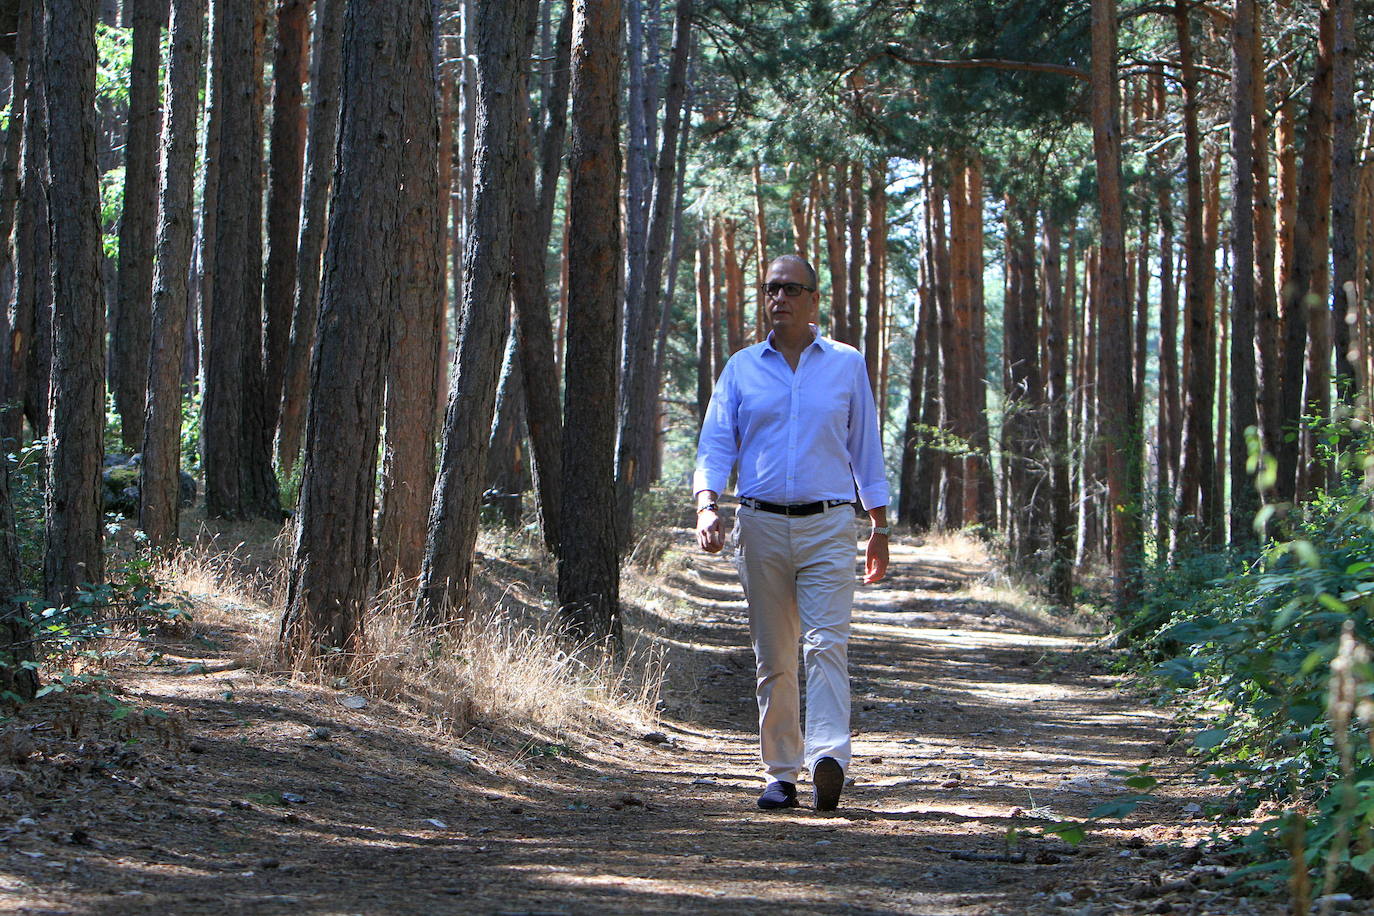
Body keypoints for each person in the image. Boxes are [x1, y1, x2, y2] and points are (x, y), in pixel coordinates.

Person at [692, 254, 889, 812]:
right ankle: (781, 773)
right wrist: (708, 505)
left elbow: (864, 447)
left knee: (827, 644)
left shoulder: (846, 365)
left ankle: (828, 758)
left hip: (829, 523)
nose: (778, 298)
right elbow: (716, 445)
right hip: (759, 526)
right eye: (771, 289)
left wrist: (878, 524)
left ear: (813, 299)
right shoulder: (742, 368)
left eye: (791, 289)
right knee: (774, 655)